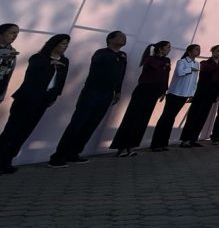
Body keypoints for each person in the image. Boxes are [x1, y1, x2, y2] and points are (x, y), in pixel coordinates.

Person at [50, 31, 128, 167]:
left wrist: (118, 91)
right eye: (120, 36)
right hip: (92, 92)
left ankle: (74, 153)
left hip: (107, 94)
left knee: (91, 124)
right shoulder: (101, 53)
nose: (124, 38)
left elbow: (120, 75)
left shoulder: (122, 56)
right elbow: (97, 70)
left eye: (124, 37)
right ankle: (59, 156)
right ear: (110, 39)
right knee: (78, 123)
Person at [0, 34, 69, 173]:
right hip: (26, 100)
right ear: (54, 44)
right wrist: (49, 65)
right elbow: (31, 75)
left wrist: (55, 96)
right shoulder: (39, 58)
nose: (65, 46)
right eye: (62, 43)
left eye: (66, 44)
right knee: (12, 130)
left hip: (43, 101)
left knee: (25, 132)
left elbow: (61, 81)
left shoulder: (64, 61)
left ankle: (7, 160)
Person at [111, 40, 170, 157]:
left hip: (154, 91)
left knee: (143, 119)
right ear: (160, 48)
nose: (169, 49)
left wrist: (163, 90)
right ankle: (121, 146)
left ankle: (132, 146)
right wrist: (163, 64)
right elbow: (156, 68)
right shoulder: (150, 59)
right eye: (167, 47)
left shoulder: (166, 61)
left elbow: (165, 76)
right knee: (132, 117)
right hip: (143, 90)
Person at [150, 43, 200, 151]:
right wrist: (190, 69)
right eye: (196, 49)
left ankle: (163, 142)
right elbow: (179, 72)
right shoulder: (181, 62)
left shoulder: (197, 64)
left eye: (199, 50)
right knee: (166, 117)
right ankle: (155, 143)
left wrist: (192, 94)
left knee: (171, 118)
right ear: (189, 51)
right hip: (175, 93)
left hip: (184, 95)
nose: (198, 51)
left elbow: (194, 81)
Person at [179, 44, 219, 147]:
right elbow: (205, 74)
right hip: (201, 93)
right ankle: (185, 139)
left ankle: (193, 139)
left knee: (202, 116)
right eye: (218, 50)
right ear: (212, 51)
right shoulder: (204, 63)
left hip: (212, 94)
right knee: (193, 116)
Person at [0, 23, 20, 103]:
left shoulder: (12, 52)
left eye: (17, 33)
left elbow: (8, 75)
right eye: (12, 33)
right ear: (1, 33)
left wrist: (2, 95)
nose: (15, 36)